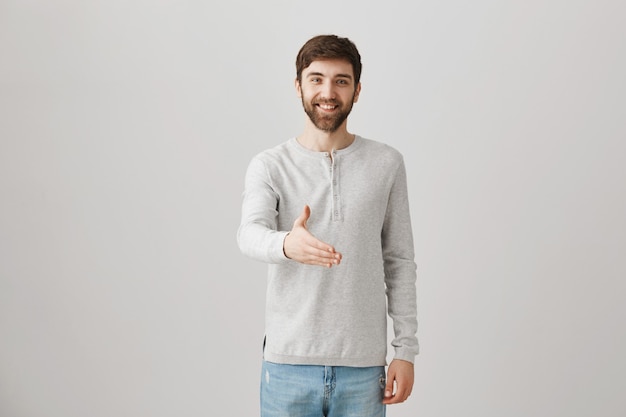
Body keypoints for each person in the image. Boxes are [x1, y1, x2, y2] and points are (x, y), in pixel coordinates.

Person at [237, 34, 418, 417]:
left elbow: (399, 261)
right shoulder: (270, 165)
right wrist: (287, 244)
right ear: (299, 85)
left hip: (365, 370)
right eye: (316, 78)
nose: (328, 91)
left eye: (341, 80)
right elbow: (249, 234)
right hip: (287, 365)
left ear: (357, 90)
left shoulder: (386, 163)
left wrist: (405, 350)